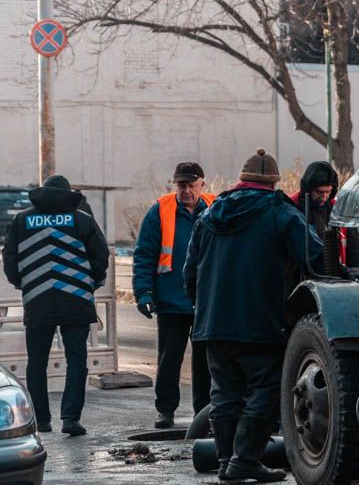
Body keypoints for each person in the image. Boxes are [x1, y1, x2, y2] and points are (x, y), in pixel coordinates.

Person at [184, 148, 323, 483]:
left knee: (225, 392)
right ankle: (244, 460)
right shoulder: (278, 211)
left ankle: (225, 461)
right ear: (273, 182)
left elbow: (190, 273)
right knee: (264, 389)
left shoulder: (210, 214)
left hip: (213, 325)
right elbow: (314, 253)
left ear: (240, 181)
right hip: (260, 320)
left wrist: (203, 310)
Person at [2, 175, 109, 436]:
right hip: (76, 299)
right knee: (77, 360)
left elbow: (10, 257)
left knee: (37, 362)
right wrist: (89, 282)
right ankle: (70, 418)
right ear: (67, 193)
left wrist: (23, 282)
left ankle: (42, 419)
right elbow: (101, 255)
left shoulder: (22, 219)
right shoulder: (82, 219)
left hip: (38, 299)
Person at [132, 162, 215, 429]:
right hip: (171, 299)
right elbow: (144, 254)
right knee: (169, 359)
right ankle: (165, 410)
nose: (187, 190)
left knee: (205, 362)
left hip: (206, 300)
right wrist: (143, 291)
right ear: (174, 185)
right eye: (181, 185)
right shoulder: (160, 211)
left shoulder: (216, 209)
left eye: (192, 185)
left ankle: (203, 413)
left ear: (203, 184)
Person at [288, 161, 359, 287]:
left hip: (335, 281)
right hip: (298, 284)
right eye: (319, 192)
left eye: (328, 191)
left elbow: (354, 253)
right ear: (308, 189)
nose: (324, 196)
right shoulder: (291, 208)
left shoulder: (338, 212)